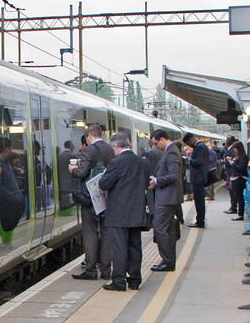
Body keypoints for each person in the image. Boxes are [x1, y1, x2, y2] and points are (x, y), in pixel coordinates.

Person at [98, 132, 150, 291]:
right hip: (137, 212)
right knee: (135, 247)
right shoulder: (143, 163)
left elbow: (104, 184)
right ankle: (135, 280)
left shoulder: (115, 163)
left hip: (119, 214)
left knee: (119, 248)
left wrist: (105, 175)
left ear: (115, 146)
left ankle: (119, 281)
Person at [69, 124, 115, 281]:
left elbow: (82, 172)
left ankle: (90, 270)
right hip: (107, 197)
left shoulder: (89, 150)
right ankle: (106, 270)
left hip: (91, 199)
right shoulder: (110, 148)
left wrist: (73, 169)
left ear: (89, 136)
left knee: (90, 234)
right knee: (106, 233)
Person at [148, 130, 181, 271]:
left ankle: (167, 260)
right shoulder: (170, 151)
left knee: (159, 227)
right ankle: (169, 261)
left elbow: (173, 175)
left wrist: (157, 180)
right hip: (169, 196)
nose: (155, 147)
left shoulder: (171, 152)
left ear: (162, 139)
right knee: (168, 229)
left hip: (167, 197)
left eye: (156, 143)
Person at [0, 137, 24, 232]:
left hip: (12, 203)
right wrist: (14, 198)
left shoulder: (5, 162)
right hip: (6, 205)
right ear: (7, 149)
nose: (11, 151)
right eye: (11, 148)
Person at [182, 132, 209, 228]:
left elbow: (199, 162)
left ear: (191, 140)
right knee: (199, 200)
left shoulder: (199, 147)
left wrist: (188, 160)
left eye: (189, 143)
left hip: (198, 178)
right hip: (200, 177)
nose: (189, 145)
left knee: (199, 200)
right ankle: (200, 220)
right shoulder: (201, 146)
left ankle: (200, 221)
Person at [227, 141, 249, 221]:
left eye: (235, 148)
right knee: (237, 196)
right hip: (235, 178)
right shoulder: (239, 156)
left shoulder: (243, 157)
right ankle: (240, 214)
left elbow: (241, 168)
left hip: (240, 178)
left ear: (238, 148)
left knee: (239, 197)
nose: (234, 150)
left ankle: (240, 215)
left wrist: (232, 163)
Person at [143, 137, 163, 216]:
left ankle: (153, 218)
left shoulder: (149, 153)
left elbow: (147, 167)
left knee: (151, 201)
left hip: (151, 180)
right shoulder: (162, 152)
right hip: (160, 179)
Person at [56, 140, 76, 209]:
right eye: (73, 145)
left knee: (63, 201)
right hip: (70, 183)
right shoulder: (72, 156)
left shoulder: (59, 156)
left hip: (61, 182)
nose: (74, 147)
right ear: (70, 146)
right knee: (70, 202)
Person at [223, 136, 238, 214]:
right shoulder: (230, 149)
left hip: (231, 173)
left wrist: (225, 162)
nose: (226, 141)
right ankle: (232, 207)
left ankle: (233, 207)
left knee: (232, 191)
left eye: (228, 140)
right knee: (231, 191)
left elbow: (231, 161)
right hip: (229, 173)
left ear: (232, 141)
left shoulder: (232, 150)